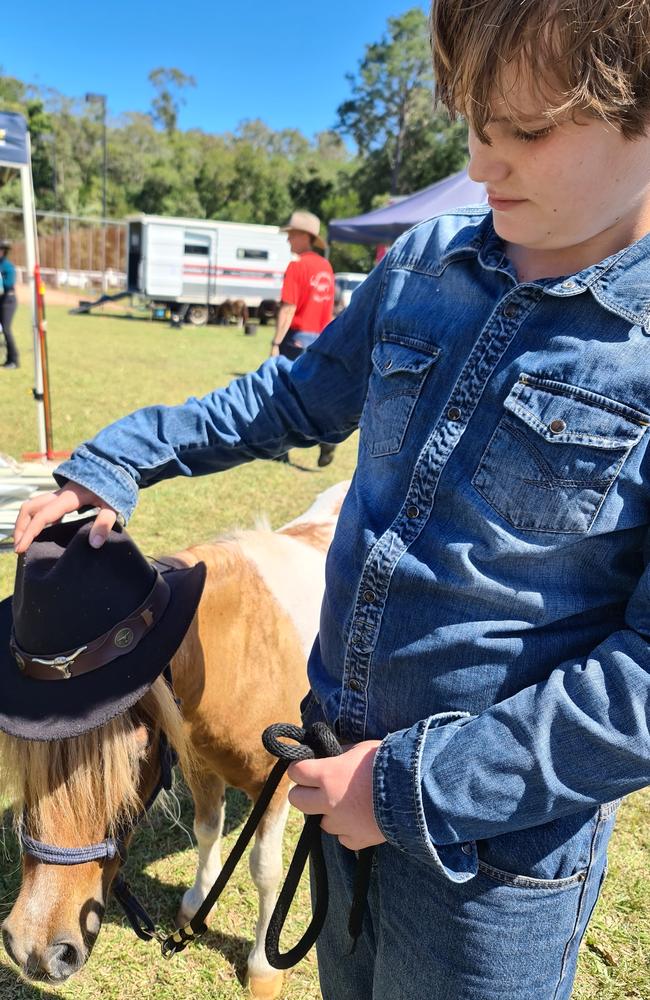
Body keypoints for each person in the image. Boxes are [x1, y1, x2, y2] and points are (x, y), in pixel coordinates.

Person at [12, 1, 650, 996]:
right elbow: (291, 397)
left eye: (524, 132)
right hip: (330, 787)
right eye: (474, 127)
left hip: (491, 869)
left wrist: (400, 791)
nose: (482, 168)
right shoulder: (422, 266)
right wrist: (120, 455)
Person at [271, 210, 336, 467]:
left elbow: (288, 307)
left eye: (291, 235)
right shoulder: (326, 267)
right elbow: (328, 309)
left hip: (296, 338)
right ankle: (327, 438)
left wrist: (276, 342)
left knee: (287, 393)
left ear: (303, 237)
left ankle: (281, 450)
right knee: (315, 394)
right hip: (320, 338)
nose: (288, 241)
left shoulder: (297, 266)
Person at [0, 240, 19, 369]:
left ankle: (14, 360)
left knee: (6, 330)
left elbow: (8, 284)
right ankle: (8, 359)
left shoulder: (7, 266)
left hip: (8, 301)